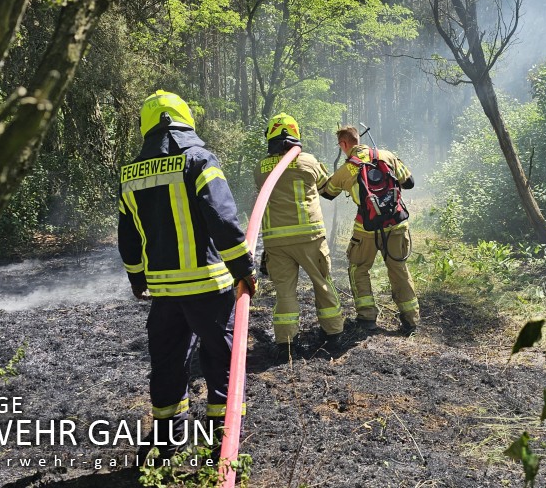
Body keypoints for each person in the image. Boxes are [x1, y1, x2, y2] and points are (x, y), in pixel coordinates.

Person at [118, 90, 256, 456]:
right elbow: (223, 219)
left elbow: (128, 238)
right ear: (185, 120)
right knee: (222, 361)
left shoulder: (130, 173)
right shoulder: (198, 159)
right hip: (209, 287)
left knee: (167, 363)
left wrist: (137, 279)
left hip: (163, 294)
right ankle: (222, 445)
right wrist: (244, 268)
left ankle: (168, 443)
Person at [255, 113, 344, 351]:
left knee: (284, 292)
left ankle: (285, 342)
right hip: (309, 237)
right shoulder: (308, 161)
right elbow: (328, 189)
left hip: (276, 242)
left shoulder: (260, 168)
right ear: (296, 136)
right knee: (322, 284)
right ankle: (333, 333)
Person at [320, 125, 419, 335]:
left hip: (367, 228)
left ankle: (367, 319)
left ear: (344, 144)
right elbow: (409, 182)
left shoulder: (348, 168)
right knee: (398, 268)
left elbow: (328, 193)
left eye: (340, 145)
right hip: (397, 223)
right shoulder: (386, 155)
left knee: (359, 268)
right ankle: (411, 321)